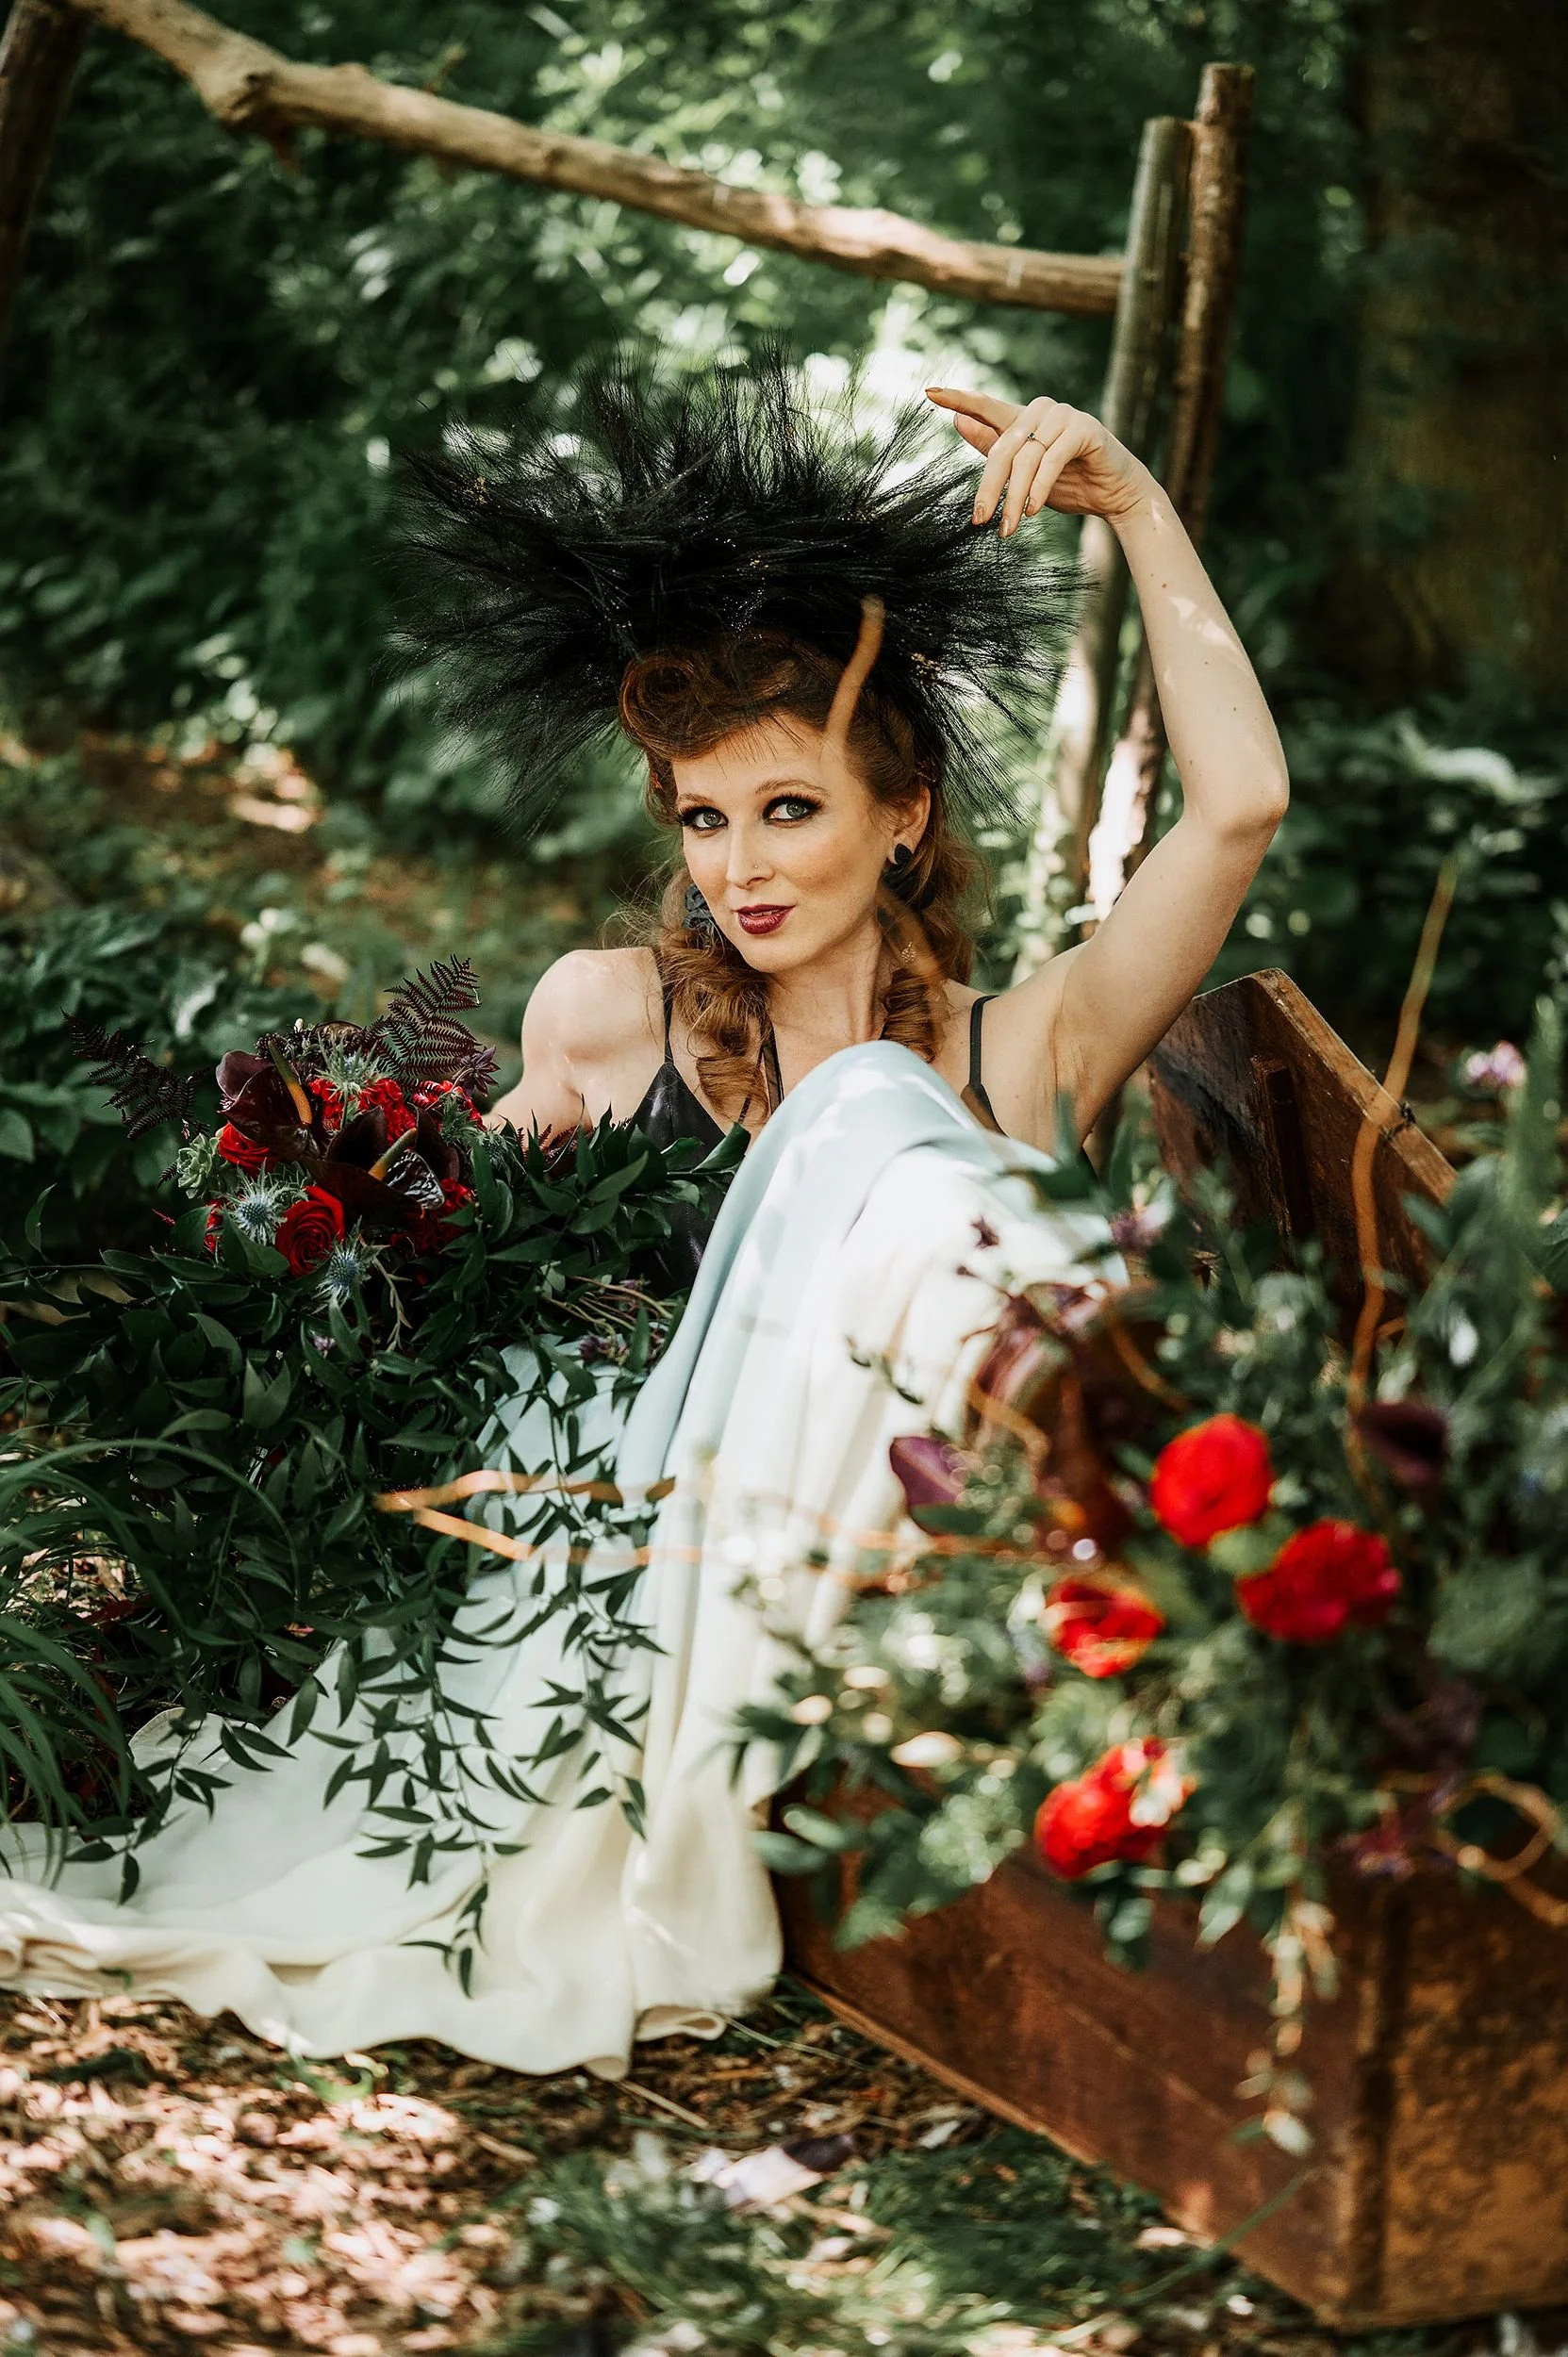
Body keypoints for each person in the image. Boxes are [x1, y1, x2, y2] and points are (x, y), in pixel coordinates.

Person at [0, 356, 1286, 2075]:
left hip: (919, 1565)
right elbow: (428, 1298)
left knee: (879, 1108)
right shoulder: (615, 1021)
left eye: (789, 808)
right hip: (655, 1586)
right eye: (702, 817)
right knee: (867, 1109)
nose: (737, 867)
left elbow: (1238, 807)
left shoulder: (1032, 1049)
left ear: (902, 819)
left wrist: (1134, 506)